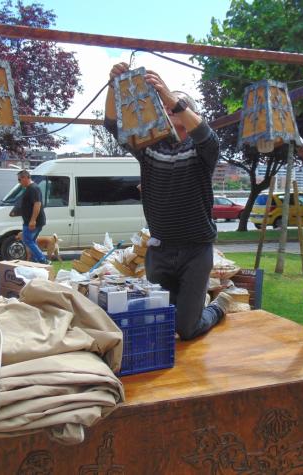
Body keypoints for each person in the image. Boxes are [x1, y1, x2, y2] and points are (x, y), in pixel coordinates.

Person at [104, 62, 234, 340]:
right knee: (160, 321)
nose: (177, 128)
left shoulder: (203, 152)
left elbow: (205, 135)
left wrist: (168, 96)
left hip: (195, 252)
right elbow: (112, 124)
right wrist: (112, 86)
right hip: (160, 250)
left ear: (189, 117)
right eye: (170, 118)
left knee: (186, 329)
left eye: (182, 122)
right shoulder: (149, 148)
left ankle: (219, 306)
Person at [12, 169, 50, 264]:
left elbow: (37, 204)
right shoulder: (30, 189)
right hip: (31, 221)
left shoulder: (33, 188)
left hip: (32, 222)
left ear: (25, 177)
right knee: (31, 241)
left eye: (19, 180)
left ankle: (43, 260)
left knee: (27, 240)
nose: (19, 182)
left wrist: (32, 221)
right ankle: (35, 261)